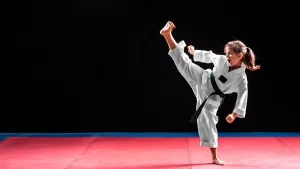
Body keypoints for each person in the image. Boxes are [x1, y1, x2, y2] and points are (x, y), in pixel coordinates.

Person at [160, 21, 260, 165]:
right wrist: (195, 53)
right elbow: (210, 56)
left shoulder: (241, 78)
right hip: (204, 78)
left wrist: (234, 114)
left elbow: (243, 95)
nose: (226, 56)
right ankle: (167, 35)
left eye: (230, 54)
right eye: (226, 53)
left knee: (209, 122)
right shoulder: (222, 59)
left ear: (239, 56)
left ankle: (214, 157)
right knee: (184, 63)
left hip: (213, 98)